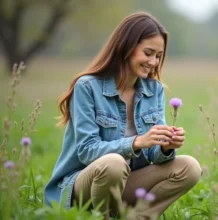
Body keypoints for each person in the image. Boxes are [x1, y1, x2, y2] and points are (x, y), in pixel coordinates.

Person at [44, 11, 202, 220]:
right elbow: (86, 150)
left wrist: (165, 146)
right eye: (148, 53)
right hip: (81, 188)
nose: (153, 62)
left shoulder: (154, 90)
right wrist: (136, 142)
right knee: (114, 163)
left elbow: (153, 153)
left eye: (158, 56)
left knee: (189, 167)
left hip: (124, 184)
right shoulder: (87, 87)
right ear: (127, 46)